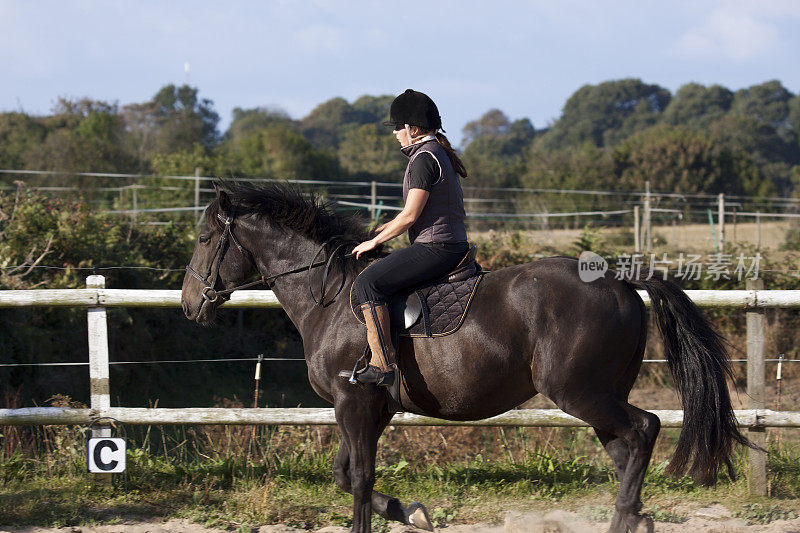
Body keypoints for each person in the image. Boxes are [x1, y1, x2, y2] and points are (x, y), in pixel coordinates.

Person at [350, 89, 470, 386]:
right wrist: (374, 232)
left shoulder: (423, 159)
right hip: (448, 244)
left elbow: (409, 216)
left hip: (437, 247)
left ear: (413, 129)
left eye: (397, 127)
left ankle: (382, 365)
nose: (395, 133)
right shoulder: (434, 153)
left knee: (367, 283)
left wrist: (374, 242)